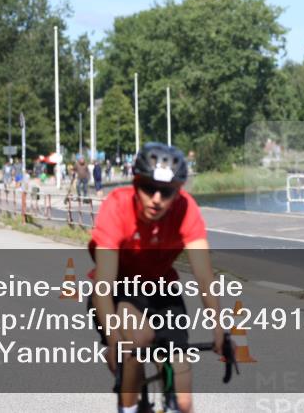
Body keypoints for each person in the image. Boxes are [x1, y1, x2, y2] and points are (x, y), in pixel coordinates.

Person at [89, 143, 224, 413]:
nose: (157, 199)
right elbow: (103, 285)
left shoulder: (186, 209)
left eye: (167, 191)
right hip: (120, 287)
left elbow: (204, 276)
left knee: (183, 398)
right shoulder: (117, 205)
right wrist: (113, 339)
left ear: (178, 191)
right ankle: (128, 407)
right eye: (149, 188)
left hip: (162, 289)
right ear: (136, 184)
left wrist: (219, 328)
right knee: (137, 340)